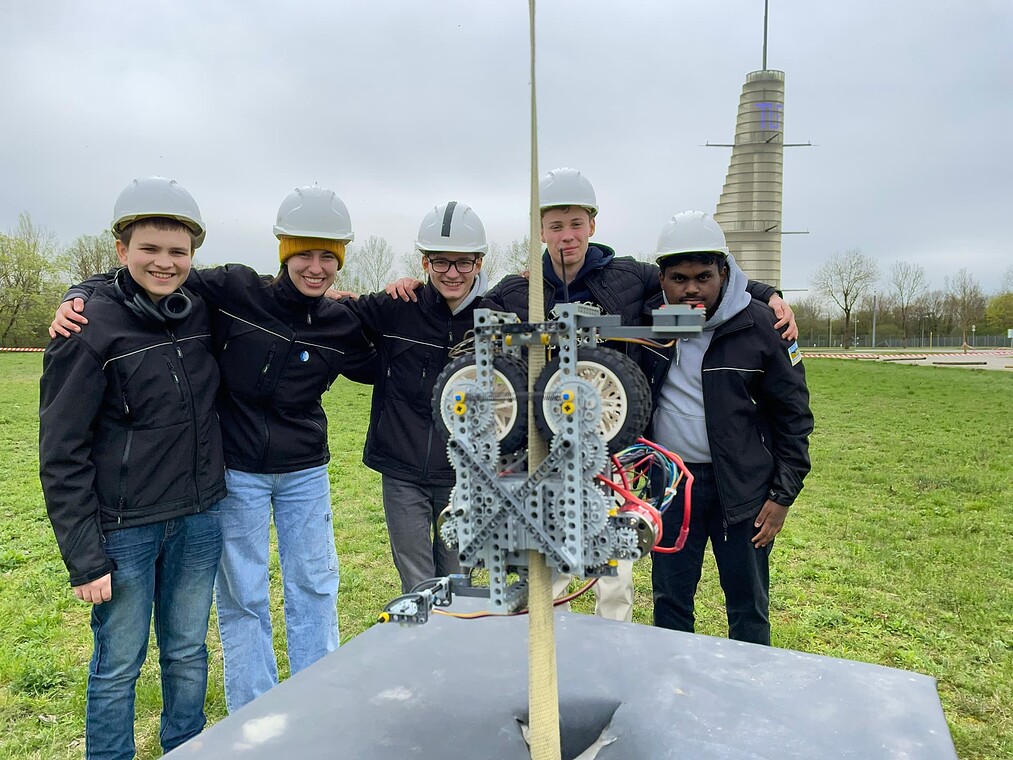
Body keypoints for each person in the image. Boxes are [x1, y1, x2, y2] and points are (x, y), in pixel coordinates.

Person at [390, 168, 796, 622]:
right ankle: (539, 646)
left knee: (613, 572)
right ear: (540, 229)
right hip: (543, 448)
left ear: (593, 225)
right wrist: (412, 286)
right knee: (543, 560)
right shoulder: (516, 290)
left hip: (609, 448)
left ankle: (611, 647)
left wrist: (768, 292)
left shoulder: (627, 277)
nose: (567, 236)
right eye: (556, 225)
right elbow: (470, 326)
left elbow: (694, 274)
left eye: (576, 224)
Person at [50, 184, 375, 713]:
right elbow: (146, 274)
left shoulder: (343, 322)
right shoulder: (236, 290)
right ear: (283, 254)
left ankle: (320, 703)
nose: (315, 268)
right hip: (238, 471)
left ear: (339, 262)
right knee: (244, 594)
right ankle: (257, 708)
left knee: (315, 583)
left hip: (304, 473)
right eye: (303, 255)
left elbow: (397, 338)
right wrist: (78, 293)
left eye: (327, 258)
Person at [39, 176, 225, 759]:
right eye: (149, 248)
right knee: (119, 664)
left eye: (178, 252)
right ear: (121, 249)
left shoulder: (199, 310)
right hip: (125, 531)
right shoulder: (86, 327)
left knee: (189, 652)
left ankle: (185, 749)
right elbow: (60, 452)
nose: (164, 263)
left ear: (193, 256)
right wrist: (85, 558)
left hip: (198, 519)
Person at [639, 211, 813, 645]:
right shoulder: (648, 322)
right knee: (670, 599)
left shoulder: (762, 326)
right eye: (678, 278)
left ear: (724, 271)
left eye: (704, 276)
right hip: (672, 484)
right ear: (661, 278)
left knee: (747, 604)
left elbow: (794, 416)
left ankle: (748, 692)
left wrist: (781, 496)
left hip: (743, 490)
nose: (692, 288)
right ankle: (673, 689)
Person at [344, 201, 491, 593]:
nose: (452, 273)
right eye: (441, 262)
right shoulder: (396, 307)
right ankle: (427, 649)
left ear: (479, 263)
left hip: (465, 477)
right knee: (419, 586)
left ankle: (457, 651)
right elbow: (337, 316)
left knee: (459, 583)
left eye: (463, 263)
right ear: (424, 263)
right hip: (402, 471)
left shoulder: (496, 317)